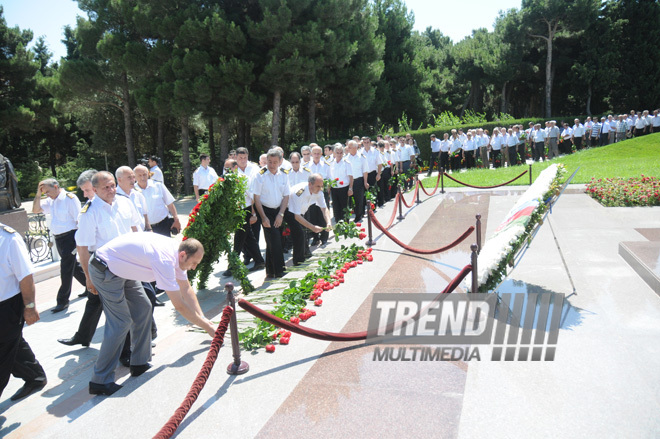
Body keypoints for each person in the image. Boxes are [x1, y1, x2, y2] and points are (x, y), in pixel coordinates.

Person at [88, 234, 215, 396]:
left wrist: (204, 319)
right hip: (105, 268)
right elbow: (180, 306)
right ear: (183, 255)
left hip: (123, 268)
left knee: (144, 308)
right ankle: (100, 381)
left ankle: (139, 363)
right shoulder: (165, 260)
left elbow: (186, 289)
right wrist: (207, 328)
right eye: (194, 263)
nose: (194, 267)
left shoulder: (178, 255)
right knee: (121, 322)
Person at [58, 171, 140, 366]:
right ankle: (124, 354)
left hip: (128, 264)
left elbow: (136, 229)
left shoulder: (124, 203)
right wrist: (88, 277)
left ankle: (141, 341)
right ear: (95, 190)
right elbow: (83, 248)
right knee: (121, 314)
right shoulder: (89, 212)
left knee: (141, 304)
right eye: (106, 187)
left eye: (113, 186)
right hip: (106, 269)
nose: (111, 190)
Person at [0, 223, 47, 401]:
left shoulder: (8, 239)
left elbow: (26, 277)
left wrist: (29, 307)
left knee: (3, 353)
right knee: (13, 345)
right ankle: (35, 376)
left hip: (6, 306)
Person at [32, 178, 86, 313]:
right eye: (44, 193)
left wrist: (79, 242)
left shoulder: (70, 198)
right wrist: (38, 195)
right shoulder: (51, 201)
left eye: (48, 191)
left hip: (70, 237)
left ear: (56, 187)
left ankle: (62, 301)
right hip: (59, 238)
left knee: (65, 269)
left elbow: (79, 220)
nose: (47, 195)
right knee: (72, 267)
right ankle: (91, 286)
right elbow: (35, 209)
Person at [252, 149, 290, 279]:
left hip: (279, 210)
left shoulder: (284, 174)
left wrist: (281, 214)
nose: (272, 165)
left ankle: (270, 271)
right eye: (269, 162)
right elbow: (256, 198)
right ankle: (279, 270)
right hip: (265, 210)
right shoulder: (260, 175)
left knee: (274, 240)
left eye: (275, 162)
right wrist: (263, 217)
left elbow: (286, 196)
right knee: (275, 240)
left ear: (280, 162)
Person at [134, 165, 182, 236]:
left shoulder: (158, 185)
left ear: (149, 174)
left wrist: (176, 219)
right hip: (145, 229)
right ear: (134, 177)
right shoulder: (132, 191)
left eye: (144, 174)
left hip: (163, 225)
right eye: (139, 175)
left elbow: (170, 204)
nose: (142, 177)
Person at [345, 140, 369, 223]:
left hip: (358, 180)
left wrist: (365, 182)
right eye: (348, 147)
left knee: (359, 199)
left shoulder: (361, 157)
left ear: (355, 148)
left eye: (350, 147)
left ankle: (358, 216)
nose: (348, 148)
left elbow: (365, 170)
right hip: (348, 181)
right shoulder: (346, 157)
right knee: (348, 200)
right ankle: (347, 217)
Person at [330, 144, 353, 221]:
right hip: (334, 188)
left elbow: (351, 177)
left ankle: (346, 225)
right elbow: (330, 177)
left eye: (341, 153)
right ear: (334, 153)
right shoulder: (330, 163)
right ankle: (338, 226)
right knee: (336, 208)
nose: (339, 154)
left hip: (344, 188)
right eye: (337, 152)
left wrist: (350, 188)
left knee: (344, 208)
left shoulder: (347, 163)